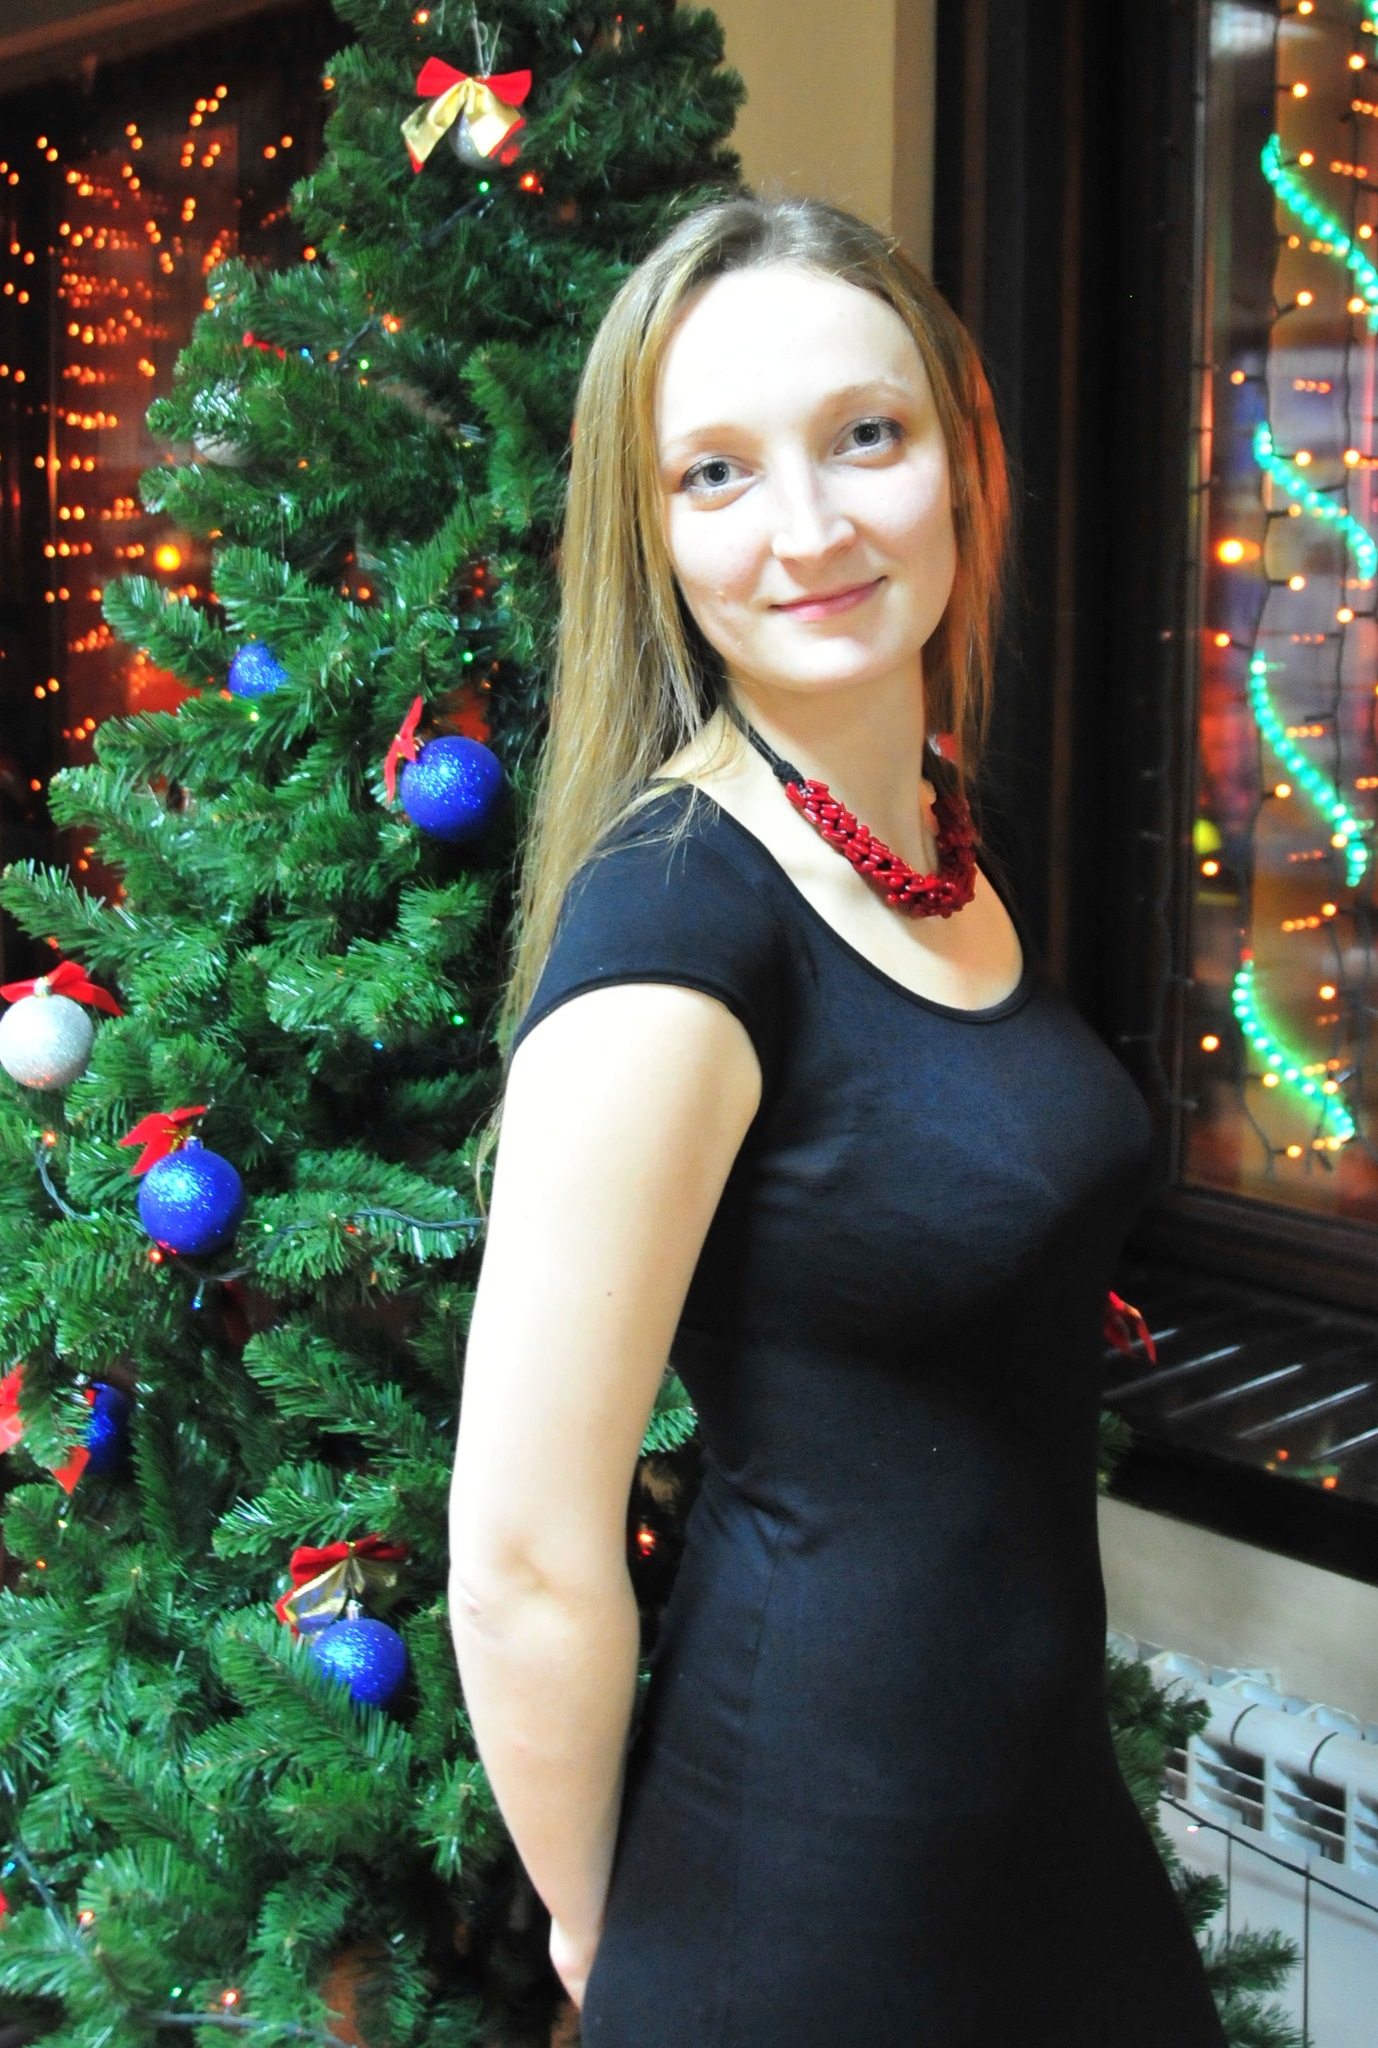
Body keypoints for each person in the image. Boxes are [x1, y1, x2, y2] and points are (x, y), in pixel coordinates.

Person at [447, 196, 1226, 2047]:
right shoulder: (673, 929)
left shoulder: (940, 839)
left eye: (863, 436)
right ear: (648, 534)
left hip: (1041, 1836)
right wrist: (610, 1938)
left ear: (960, 454)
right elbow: (523, 1551)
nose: (805, 529)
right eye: (713, 472)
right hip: (801, 1898)